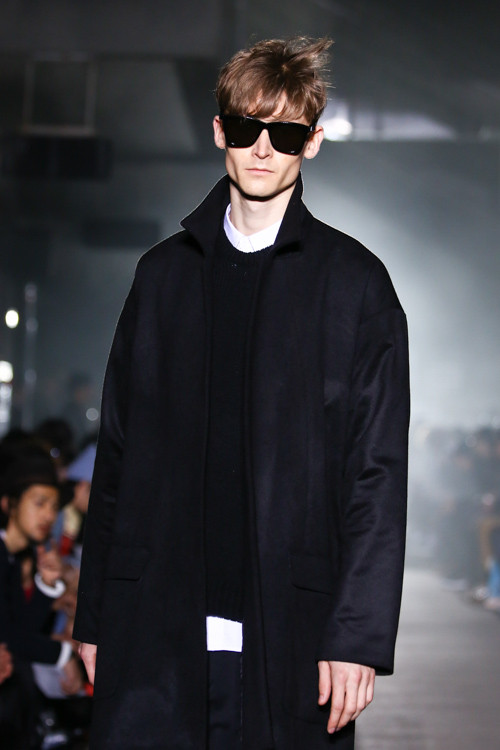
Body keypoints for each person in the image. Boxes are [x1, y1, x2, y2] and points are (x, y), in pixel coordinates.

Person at [74, 36, 410, 750]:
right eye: (247, 126)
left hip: (292, 627)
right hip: (157, 622)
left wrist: (357, 634)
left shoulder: (356, 286)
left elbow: (376, 474)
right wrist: (96, 616)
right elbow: (119, 454)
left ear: (311, 143)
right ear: (219, 130)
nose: (263, 148)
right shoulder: (161, 277)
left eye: (284, 133)